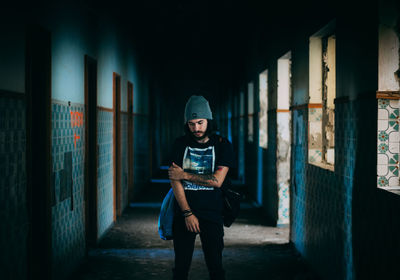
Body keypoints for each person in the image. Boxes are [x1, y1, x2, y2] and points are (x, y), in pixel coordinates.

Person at [168, 95, 235, 280]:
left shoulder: (222, 145)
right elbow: (175, 181)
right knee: (180, 268)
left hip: (212, 213)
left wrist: (186, 175)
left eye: (200, 122)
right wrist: (187, 213)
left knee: (215, 267)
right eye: (191, 124)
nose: (196, 128)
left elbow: (217, 181)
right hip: (184, 213)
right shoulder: (179, 145)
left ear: (208, 121)